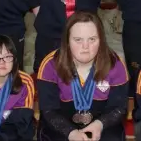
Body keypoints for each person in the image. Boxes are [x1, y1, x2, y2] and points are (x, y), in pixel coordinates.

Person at [37, 11, 129, 141]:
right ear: (67, 41)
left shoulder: (115, 64)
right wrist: (71, 133)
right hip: (61, 125)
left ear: (101, 40)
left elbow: (119, 107)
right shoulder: (50, 65)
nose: (85, 47)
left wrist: (99, 125)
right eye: (78, 40)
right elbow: (48, 111)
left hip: (101, 124)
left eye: (92, 39)